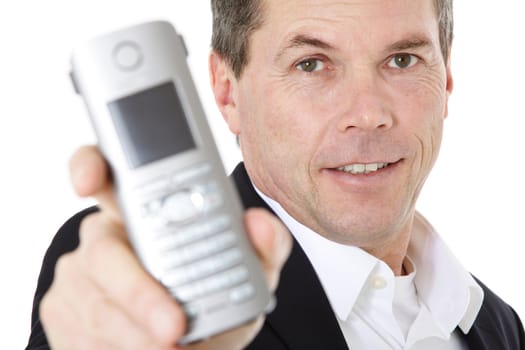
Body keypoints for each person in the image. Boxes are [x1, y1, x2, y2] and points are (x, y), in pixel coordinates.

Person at [26, 0, 525, 349]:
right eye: (311, 64)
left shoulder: (496, 324)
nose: (368, 113)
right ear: (227, 93)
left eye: (402, 60)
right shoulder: (136, 276)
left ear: (447, 79)